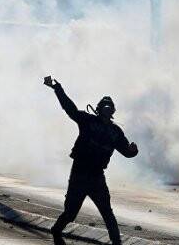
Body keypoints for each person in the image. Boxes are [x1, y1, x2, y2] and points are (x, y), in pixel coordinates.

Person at [44, 77, 138, 245]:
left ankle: (116, 241)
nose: (107, 110)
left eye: (110, 108)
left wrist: (133, 151)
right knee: (71, 213)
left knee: (107, 212)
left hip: (96, 177)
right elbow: (69, 108)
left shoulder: (115, 132)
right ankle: (57, 230)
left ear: (112, 112)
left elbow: (126, 152)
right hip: (79, 173)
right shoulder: (88, 121)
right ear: (99, 109)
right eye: (105, 107)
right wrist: (57, 89)